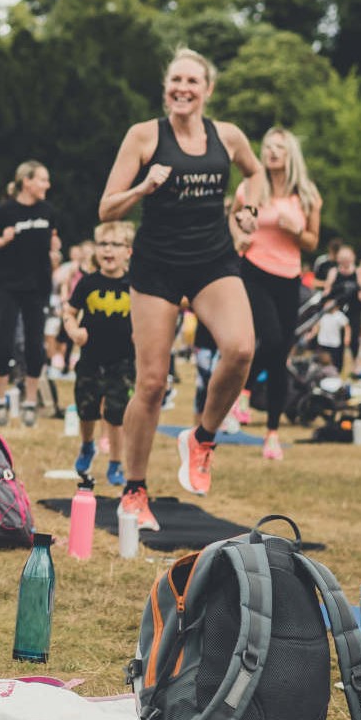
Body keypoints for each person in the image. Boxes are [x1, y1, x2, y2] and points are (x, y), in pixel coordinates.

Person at [98, 49, 262, 524]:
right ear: (166, 86)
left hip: (213, 259)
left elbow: (254, 175)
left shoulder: (227, 136)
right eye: (176, 80)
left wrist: (245, 207)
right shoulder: (145, 136)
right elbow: (107, 208)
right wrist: (142, 188)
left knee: (241, 349)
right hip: (158, 267)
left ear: (208, 89)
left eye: (193, 81)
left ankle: (203, 437)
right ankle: (134, 490)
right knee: (151, 383)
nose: (183, 88)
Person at [233, 127, 321, 463]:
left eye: (279, 148)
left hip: (289, 276)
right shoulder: (252, 189)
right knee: (269, 339)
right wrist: (238, 236)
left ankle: (271, 434)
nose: (271, 153)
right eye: (267, 147)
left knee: (280, 353)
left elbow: (313, 241)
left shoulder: (307, 195)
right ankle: (242, 393)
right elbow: (234, 218)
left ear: (290, 155)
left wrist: (295, 230)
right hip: (253, 270)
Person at [0, 159, 59, 427]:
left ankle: (30, 402)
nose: (47, 185)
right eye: (42, 179)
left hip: (38, 286)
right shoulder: (5, 211)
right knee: (3, 343)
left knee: (34, 345)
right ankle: (0, 399)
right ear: (26, 181)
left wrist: (55, 252)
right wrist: (2, 241)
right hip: (8, 286)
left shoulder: (48, 211)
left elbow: (54, 243)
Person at [62, 221, 136, 486]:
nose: (108, 250)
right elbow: (69, 312)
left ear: (128, 251)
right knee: (87, 410)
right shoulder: (88, 283)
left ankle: (116, 463)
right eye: (103, 244)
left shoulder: (134, 284)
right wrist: (73, 330)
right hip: (90, 358)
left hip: (124, 360)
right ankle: (87, 445)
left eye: (116, 245)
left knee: (116, 414)